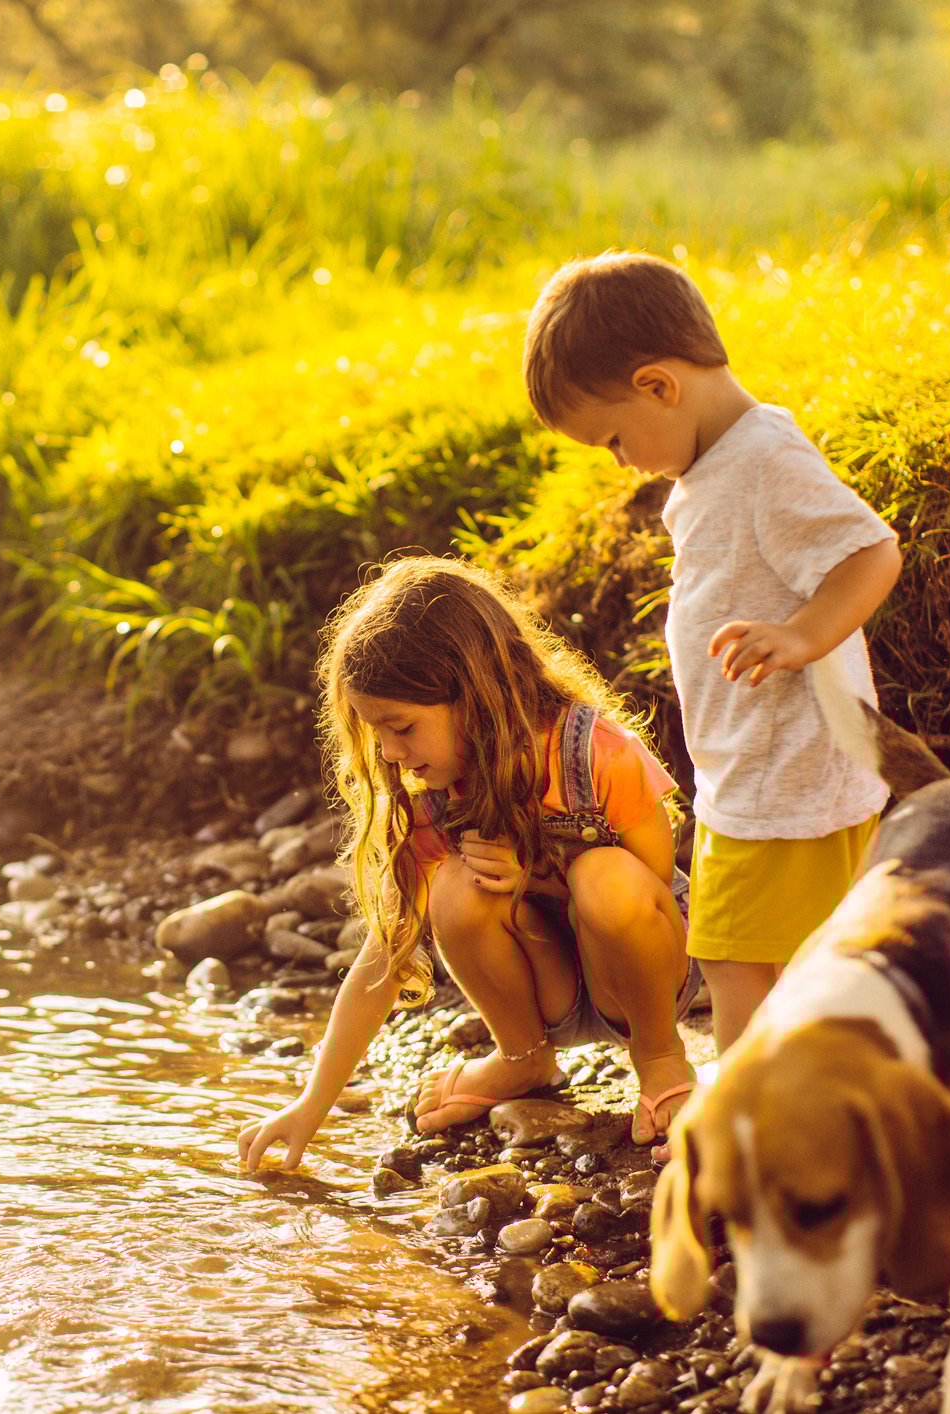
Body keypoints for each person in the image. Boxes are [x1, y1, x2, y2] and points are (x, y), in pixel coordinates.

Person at [522, 250, 901, 1054]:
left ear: (659, 385)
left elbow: (870, 553)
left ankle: (757, 1119)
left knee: (738, 957)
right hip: (752, 775)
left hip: (792, 778)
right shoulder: (718, 466)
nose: (620, 461)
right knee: (762, 958)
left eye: (615, 438)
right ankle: (795, 1099)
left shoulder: (764, 459)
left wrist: (801, 636)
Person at [237, 557, 700, 1174]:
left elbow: (652, 899)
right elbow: (386, 955)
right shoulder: (437, 798)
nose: (392, 754)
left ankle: (661, 1057)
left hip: (642, 981)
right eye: (378, 735)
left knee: (602, 875)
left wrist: (539, 873)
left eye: (402, 728)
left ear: (477, 695)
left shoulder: (597, 754)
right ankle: (524, 1056)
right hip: (553, 986)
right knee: (453, 886)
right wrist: (311, 1103)